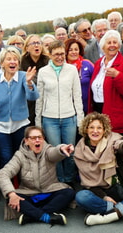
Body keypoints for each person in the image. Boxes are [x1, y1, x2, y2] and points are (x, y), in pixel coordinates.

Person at [74, 112, 123, 226]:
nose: (95, 131)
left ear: (104, 130)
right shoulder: (79, 151)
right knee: (81, 197)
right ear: (86, 129)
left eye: (99, 127)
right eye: (91, 127)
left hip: (119, 189)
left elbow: (118, 144)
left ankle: (108, 217)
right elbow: (88, 185)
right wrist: (104, 197)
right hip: (99, 194)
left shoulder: (112, 140)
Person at [0, 126, 76, 225]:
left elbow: (55, 152)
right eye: (33, 138)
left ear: (43, 139)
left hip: (50, 191)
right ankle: (46, 216)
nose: (37, 140)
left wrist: (61, 148)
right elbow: (2, 174)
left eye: (40, 137)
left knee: (69, 192)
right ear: (26, 141)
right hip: (29, 194)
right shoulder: (19, 155)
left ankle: (31, 216)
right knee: (11, 197)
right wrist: (11, 194)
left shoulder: (47, 150)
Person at [35, 40, 84, 184]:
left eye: (62, 54)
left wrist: (80, 120)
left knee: (70, 151)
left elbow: (77, 95)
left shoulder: (72, 70)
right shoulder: (43, 72)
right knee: (56, 152)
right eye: (56, 54)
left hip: (69, 117)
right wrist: (38, 123)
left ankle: (69, 180)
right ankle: (59, 181)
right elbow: (40, 99)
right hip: (50, 119)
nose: (60, 57)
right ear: (50, 55)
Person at [0, 46, 39, 167]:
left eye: (15, 59)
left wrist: (29, 83)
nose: (13, 62)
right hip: (1, 126)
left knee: (21, 156)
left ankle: (22, 183)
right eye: (9, 59)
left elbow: (33, 97)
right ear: (2, 63)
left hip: (20, 125)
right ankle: (7, 184)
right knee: (6, 157)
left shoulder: (23, 76)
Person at [88, 30, 123, 142]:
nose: (112, 45)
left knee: (118, 149)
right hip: (99, 111)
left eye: (115, 42)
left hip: (117, 115)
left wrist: (118, 76)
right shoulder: (98, 63)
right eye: (109, 42)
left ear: (119, 46)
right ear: (103, 46)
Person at [20, 34, 49, 126]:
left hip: (46, 104)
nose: (36, 45)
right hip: (28, 105)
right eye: (33, 43)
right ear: (27, 48)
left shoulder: (49, 62)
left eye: (38, 43)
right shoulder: (21, 64)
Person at [64, 38, 94, 114]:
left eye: (76, 49)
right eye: (70, 50)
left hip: (87, 108)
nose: (74, 52)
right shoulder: (62, 67)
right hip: (69, 110)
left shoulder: (87, 64)